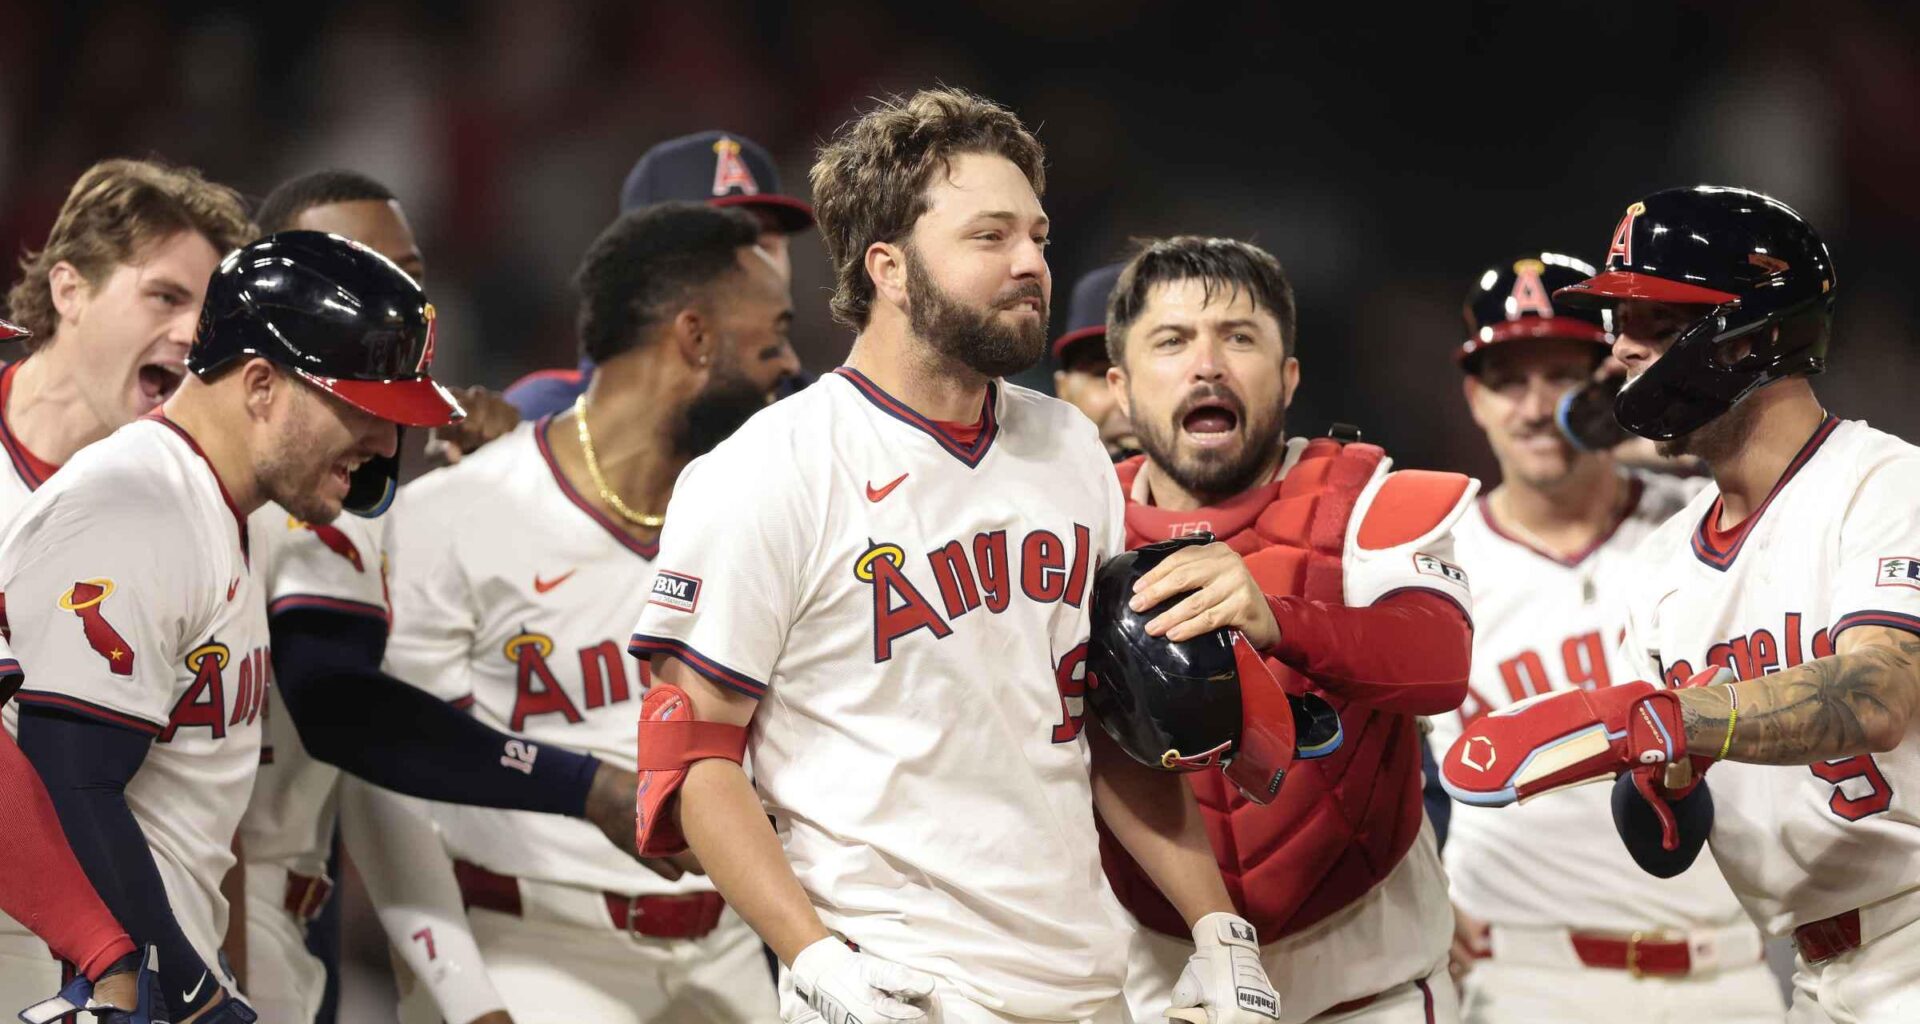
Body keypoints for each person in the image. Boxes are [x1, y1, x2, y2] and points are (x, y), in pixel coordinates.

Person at [627, 88, 1276, 1024]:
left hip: (1086, 979)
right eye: (991, 237)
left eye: (1039, 237)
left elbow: (1109, 724)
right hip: (896, 983)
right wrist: (815, 962)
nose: (1031, 265)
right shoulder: (768, 471)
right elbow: (693, 755)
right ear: (888, 268)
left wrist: (1217, 927)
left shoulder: (1070, 451)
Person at [1440, 186, 1920, 1023]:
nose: (1619, 351)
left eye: (1652, 324)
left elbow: (1877, 695)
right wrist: (1659, 790)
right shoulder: (1664, 562)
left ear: (1753, 337)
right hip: (1815, 973)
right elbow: (1665, 819)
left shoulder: (1884, 482)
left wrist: (1672, 721)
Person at [4, 230, 462, 1022]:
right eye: (367, 409)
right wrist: (188, 990)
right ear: (260, 386)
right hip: (68, 982)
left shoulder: (214, 506)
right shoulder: (136, 503)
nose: (388, 442)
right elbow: (66, 777)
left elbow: (191, 821)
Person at [235, 169, 638, 1024]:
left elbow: (374, 766)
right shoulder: (239, 493)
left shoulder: (394, 492)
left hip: (299, 917)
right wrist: (584, 786)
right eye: (356, 268)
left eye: (410, 271)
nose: (396, 294)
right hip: (208, 910)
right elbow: (349, 713)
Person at [384, 201, 788, 1024]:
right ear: (696, 339)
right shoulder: (458, 511)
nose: (792, 365)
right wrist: (465, 1000)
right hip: (536, 950)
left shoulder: (762, 516)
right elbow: (393, 784)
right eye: (772, 337)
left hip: (731, 951)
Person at [1099, 235, 1477, 1023]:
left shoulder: (1368, 494)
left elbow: (1441, 664)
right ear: (1120, 390)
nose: (1208, 366)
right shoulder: (1071, 528)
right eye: (1171, 341)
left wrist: (1280, 618)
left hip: (1370, 991)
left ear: (1290, 376)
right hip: (1163, 992)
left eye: (1239, 337)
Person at [1429, 253, 1778, 1020]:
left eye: (1561, 376)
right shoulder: (1432, 560)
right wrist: (1410, 884)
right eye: (1507, 381)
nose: (1533, 407)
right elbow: (1372, 751)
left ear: (1616, 376)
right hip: (1522, 977)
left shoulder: (1706, 522)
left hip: (1730, 969)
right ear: (1474, 400)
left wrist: (1642, 438)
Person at [0, 158, 253, 1015]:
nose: (194, 334)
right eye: (165, 297)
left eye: (210, 314)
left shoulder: (198, 499)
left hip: (129, 935)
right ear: (68, 289)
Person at [505, 130, 812, 419]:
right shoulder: (546, 416)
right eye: (716, 249)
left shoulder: (819, 419)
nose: (749, 271)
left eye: (763, 247)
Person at [1051, 262, 1138, 459]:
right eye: (1103, 374)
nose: (1129, 403)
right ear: (1063, 389)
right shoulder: (1022, 487)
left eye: (1151, 375)